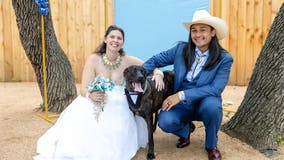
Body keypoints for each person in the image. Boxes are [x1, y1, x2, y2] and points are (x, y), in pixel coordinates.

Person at [34, 25, 148, 160]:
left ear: (122, 42)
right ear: (105, 39)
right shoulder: (94, 59)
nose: (115, 40)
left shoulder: (127, 59)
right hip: (95, 98)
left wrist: (158, 73)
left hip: (118, 103)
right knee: (87, 124)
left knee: (116, 131)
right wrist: (91, 94)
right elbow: (83, 88)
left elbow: (149, 65)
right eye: (112, 37)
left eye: (119, 38)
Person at [142, 10, 233, 160]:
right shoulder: (180, 49)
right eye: (194, 30)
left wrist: (180, 95)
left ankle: (211, 145)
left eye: (203, 30)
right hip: (183, 104)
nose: (198, 35)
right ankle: (186, 131)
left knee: (212, 108)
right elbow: (154, 60)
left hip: (206, 99)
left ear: (213, 33)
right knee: (164, 121)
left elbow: (215, 89)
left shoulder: (224, 58)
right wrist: (143, 76)